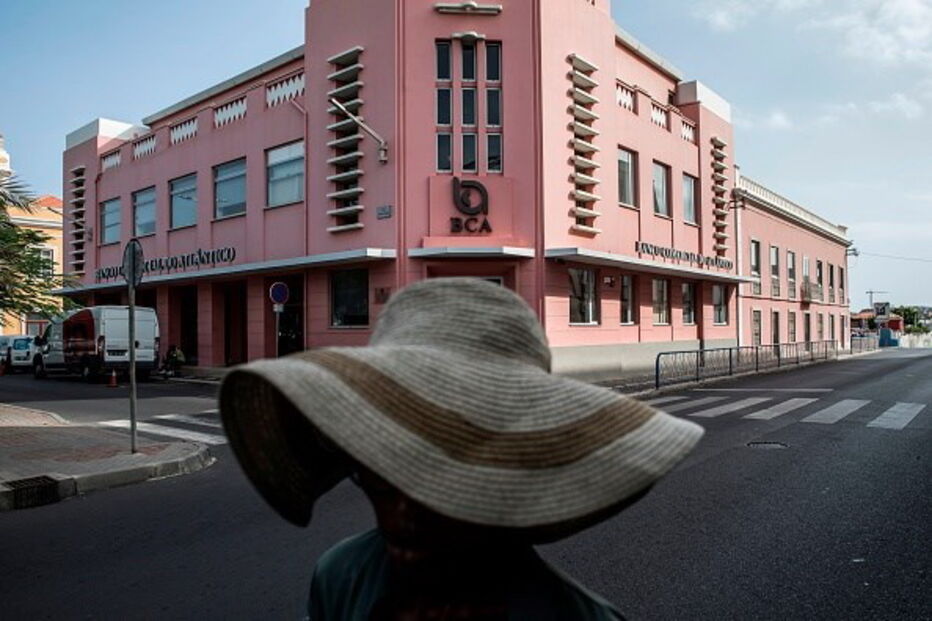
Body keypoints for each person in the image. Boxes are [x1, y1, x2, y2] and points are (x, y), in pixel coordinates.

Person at [220, 278, 704, 620]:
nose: (402, 511)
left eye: (438, 471)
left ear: (504, 471)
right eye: (385, 465)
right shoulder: (340, 578)